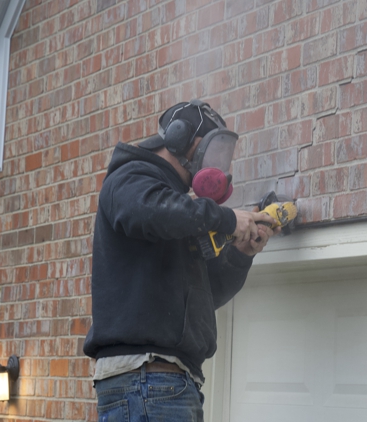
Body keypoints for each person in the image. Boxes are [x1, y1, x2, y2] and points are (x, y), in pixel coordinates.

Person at [83, 100, 280, 422]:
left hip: (163, 382)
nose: (218, 165)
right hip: (146, 380)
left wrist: (240, 254)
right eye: (214, 151)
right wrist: (227, 219)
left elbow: (204, 296)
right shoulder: (131, 178)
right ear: (178, 138)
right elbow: (148, 211)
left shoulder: (176, 212)